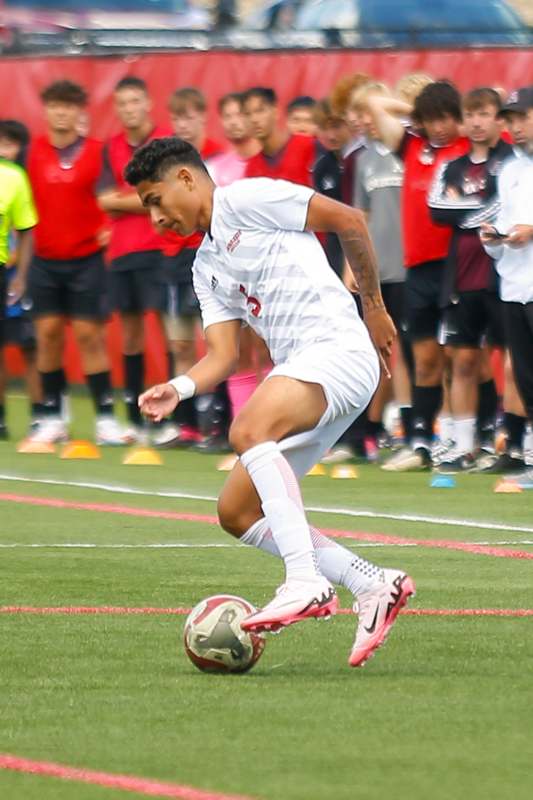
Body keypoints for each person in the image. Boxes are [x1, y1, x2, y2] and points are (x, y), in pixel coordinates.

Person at [125, 137, 415, 668]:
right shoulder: (204, 266)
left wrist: (373, 306)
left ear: (186, 179)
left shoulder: (247, 198)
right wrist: (181, 387)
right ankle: (372, 583)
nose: (155, 218)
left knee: (248, 431)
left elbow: (349, 219)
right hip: (304, 370)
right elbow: (222, 356)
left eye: (154, 200)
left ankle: (305, 581)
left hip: (337, 348)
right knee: (236, 511)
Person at [368, 81, 470, 471]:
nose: (440, 127)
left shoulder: (468, 149)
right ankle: (420, 441)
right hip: (419, 268)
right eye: (433, 119)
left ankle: (469, 439)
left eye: (447, 118)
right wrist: (418, 112)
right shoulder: (412, 146)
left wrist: (447, 113)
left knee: (463, 358)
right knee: (424, 360)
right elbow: (375, 103)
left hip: (457, 266)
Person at [26, 80, 128, 445]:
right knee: (48, 336)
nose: (62, 112)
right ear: (46, 109)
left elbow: (110, 198)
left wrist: (109, 228)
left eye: (69, 106)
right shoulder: (31, 151)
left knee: (90, 338)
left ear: (80, 111)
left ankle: (105, 419)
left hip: (86, 260)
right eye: (55, 105)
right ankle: (51, 417)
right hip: (42, 260)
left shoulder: (97, 152)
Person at [428, 87, 514, 472]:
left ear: (500, 119)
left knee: (513, 360)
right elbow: (435, 208)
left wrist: (463, 208)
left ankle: (516, 444)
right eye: (471, 114)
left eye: (485, 114)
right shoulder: (452, 166)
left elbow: (509, 205)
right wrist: (481, 211)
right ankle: (463, 446)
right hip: (461, 276)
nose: (477, 122)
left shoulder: (512, 163)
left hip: (505, 275)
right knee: (460, 361)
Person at [97, 76, 169, 441]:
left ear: (148, 103)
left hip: (159, 249)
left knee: (167, 331)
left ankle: (173, 417)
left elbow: (163, 194)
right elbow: (103, 198)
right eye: (122, 103)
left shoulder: (164, 143)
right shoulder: (109, 147)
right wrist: (143, 199)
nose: (129, 109)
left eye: (135, 101)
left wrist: (125, 200)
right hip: (121, 252)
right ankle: (134, 415)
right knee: (129, 336)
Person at [162, 87, 227, 448]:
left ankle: (215, 417)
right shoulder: (167, 161)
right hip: (174, 259)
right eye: (177, 117)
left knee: (215, 341)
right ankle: (185, 422)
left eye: (189, 116)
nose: (183, 124)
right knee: (180, 342)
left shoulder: (216, 158)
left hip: (210, 256)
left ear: (203, 116)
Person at [480, 87, 533, 480]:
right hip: (514, 285)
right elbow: (508, 224)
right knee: (526, 374)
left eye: (522, 118)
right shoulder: (510, 170)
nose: (515, 127)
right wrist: (494, 238)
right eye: (510, 119)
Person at [0, 119, 43, 434]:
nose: (5, 150)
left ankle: (42, 413)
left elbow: (27, 230)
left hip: (16, 273)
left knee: (29, 343)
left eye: (11, 144)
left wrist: (21, 275)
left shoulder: (19, 178)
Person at [243, 87, 316, 186]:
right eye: (247, 114)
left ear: (276, 112)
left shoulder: (308, 145)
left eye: (260, 111)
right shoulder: (252, 169)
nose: (254, 119)